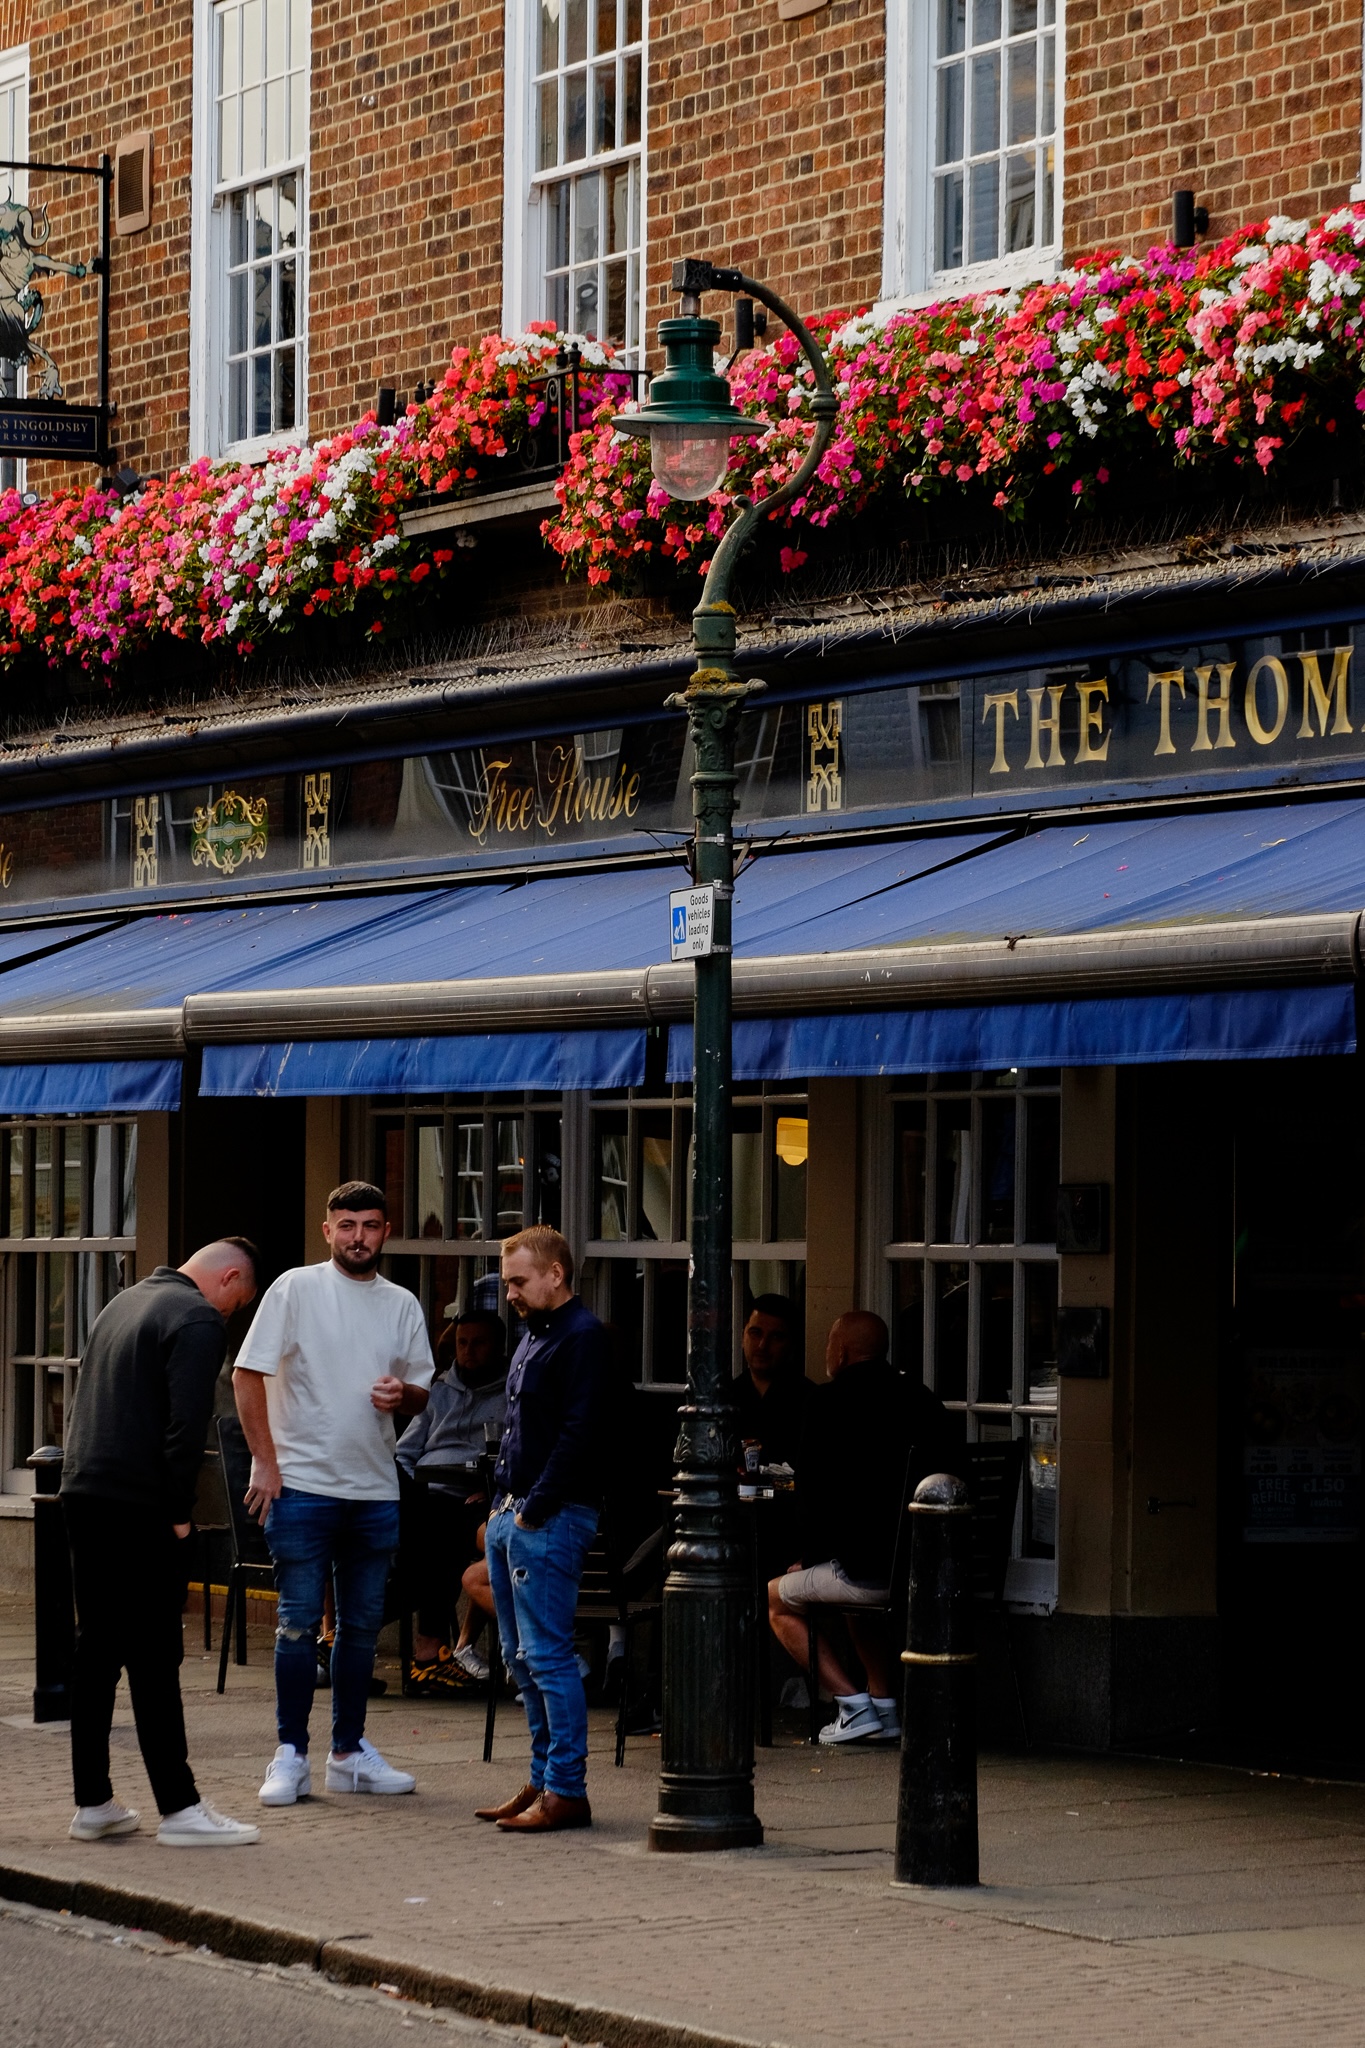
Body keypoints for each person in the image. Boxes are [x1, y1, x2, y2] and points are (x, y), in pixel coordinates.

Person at [231, 1180, 434, 1807]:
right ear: (328, 1232)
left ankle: (348, 1753)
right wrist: (265, 1463)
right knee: (296, 1626)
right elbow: (246, 1374)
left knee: (363, 1630)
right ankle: (289, 1755)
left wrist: (404, 1398)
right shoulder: (295, 1287)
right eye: (346, 1226)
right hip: (303, 1486)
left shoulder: (402, 1303)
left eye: (370, 1226)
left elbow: (424, 1389)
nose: (358, 1238)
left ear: (385, 1231)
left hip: (375, 1488)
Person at [61, 1239, 262, 1848]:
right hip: (140, 1504)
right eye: (237, 1304)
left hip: (84, 1491)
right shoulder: (196, 1317)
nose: (229, 1316)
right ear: (227, 1279)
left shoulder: (121, 1305)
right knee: (154, 1657)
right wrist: (178, 1514)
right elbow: (186, 1424)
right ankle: (180, 1809)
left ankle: (93, 1802)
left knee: (95, 1654)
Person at [767, 1309, 961, 1747]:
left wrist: (808, 1557)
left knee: (775, 1599)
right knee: (853, 1594)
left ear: (841, 1351)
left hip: (866, 1571)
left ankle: (851, 1703)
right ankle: (886, 1705)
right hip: (922, 1571)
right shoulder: (921, 1398)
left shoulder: (826, 1401)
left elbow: (810, 1495)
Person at [475, 1224, 612, 1834]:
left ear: (555, 1275)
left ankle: (565, 1790)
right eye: (508, 1282)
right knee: (520, 1657)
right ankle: (543, 1779)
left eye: (519, 1281)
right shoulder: (538, 1334)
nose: (511, 1293)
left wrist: (532, 1509)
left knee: (547, 1657)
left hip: (546, 1514)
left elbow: (582, 1434)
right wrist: (505, 1511)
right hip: (517, 1511)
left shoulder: (582, 1338)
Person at [395, 1307, 508, 1690]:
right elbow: (404, 1453)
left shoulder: (512, 1395)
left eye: (478, 1343)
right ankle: (429, 1654)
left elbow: (514, 1457)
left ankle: (422, 1651)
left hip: (474, 1499)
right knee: (434, 1536)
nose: (469, 1351)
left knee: (435, 1541)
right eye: (462, 1343)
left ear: (498, 1347)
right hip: (424, 1495)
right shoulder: (437, 1391)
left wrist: (494, 1485)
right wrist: (411, 1489)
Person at [734, 1293, 811, 1471]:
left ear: (792, 1345)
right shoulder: (724, 1399)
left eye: (776, 1337)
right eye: (755, 1333)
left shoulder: (810, 1401)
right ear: (742, 1336)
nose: (762, 1345)